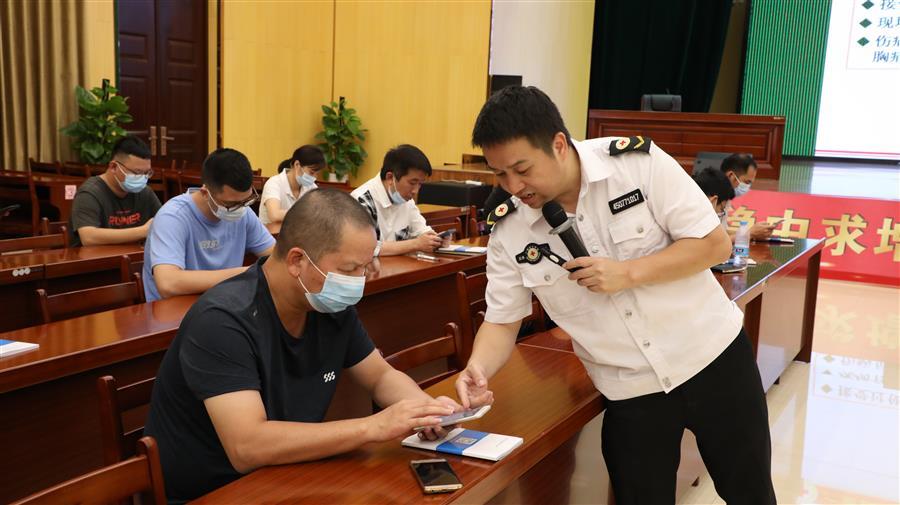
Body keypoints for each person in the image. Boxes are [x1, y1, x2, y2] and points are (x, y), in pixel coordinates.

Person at [455, 86, 776, 504]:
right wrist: (478, 367)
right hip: (630, 390)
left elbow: (713, 245)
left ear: (558, 144)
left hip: (713, 359)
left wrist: (628, 273)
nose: (514, 186)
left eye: (522, 169)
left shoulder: (637, 165)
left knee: (752, 495)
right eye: (500, 174)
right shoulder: (509, 228)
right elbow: (502, 319)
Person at [144, 188, 460, 502]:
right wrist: (374, 427)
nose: (360, 281)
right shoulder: (222, 320)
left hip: (288, 475)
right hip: (216, 492)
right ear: (297, 260)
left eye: (364, 267)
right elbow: (247, 447)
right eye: (349, 269)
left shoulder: (328, 305)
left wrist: (427, 412)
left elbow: (380, 376)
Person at [142, 148, 275, 302]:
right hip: (175, 308)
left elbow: (275, 256)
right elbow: (168, 284)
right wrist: (246, 273)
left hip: (222, 302)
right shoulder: (173, 217)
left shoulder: (243, 212)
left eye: (246, 201)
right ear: (205, 193)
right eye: (230, 204)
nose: (240, 208)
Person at [68, 135, 160, 247]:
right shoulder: (89, 193)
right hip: (97, 257)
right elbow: (88, 237)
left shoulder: (144, 192)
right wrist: (143, 231)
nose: (142, 178)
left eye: (146, 173)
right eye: (137, 172)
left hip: (133, 255)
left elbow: (165, 220)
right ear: (113, 167)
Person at [351, 144, 442, 256]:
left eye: (420, 184)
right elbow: (366, 248)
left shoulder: (405, 199)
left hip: (399, 265)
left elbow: (421, 231)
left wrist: (436, 240)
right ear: (390, 177)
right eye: (412, 183)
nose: (416, 191)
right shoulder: (361, 201)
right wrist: (416, 244)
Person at [259, 145, 326, 227]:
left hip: (297, 232)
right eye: (311, 172)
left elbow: (319, 213)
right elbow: (275, 215)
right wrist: (307, 213)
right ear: (297, 165)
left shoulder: (311, 187)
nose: (314, 177)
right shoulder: (274, 183)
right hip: (271, 233)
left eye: (317, 174)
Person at [719, 153, 775, 240]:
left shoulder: (726, 197)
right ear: (731, 176)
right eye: (747, 182)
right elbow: (713, 243)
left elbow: (722, 232)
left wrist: (755, 233)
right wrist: (749, 233)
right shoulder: (712, 198)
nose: (748, 187)